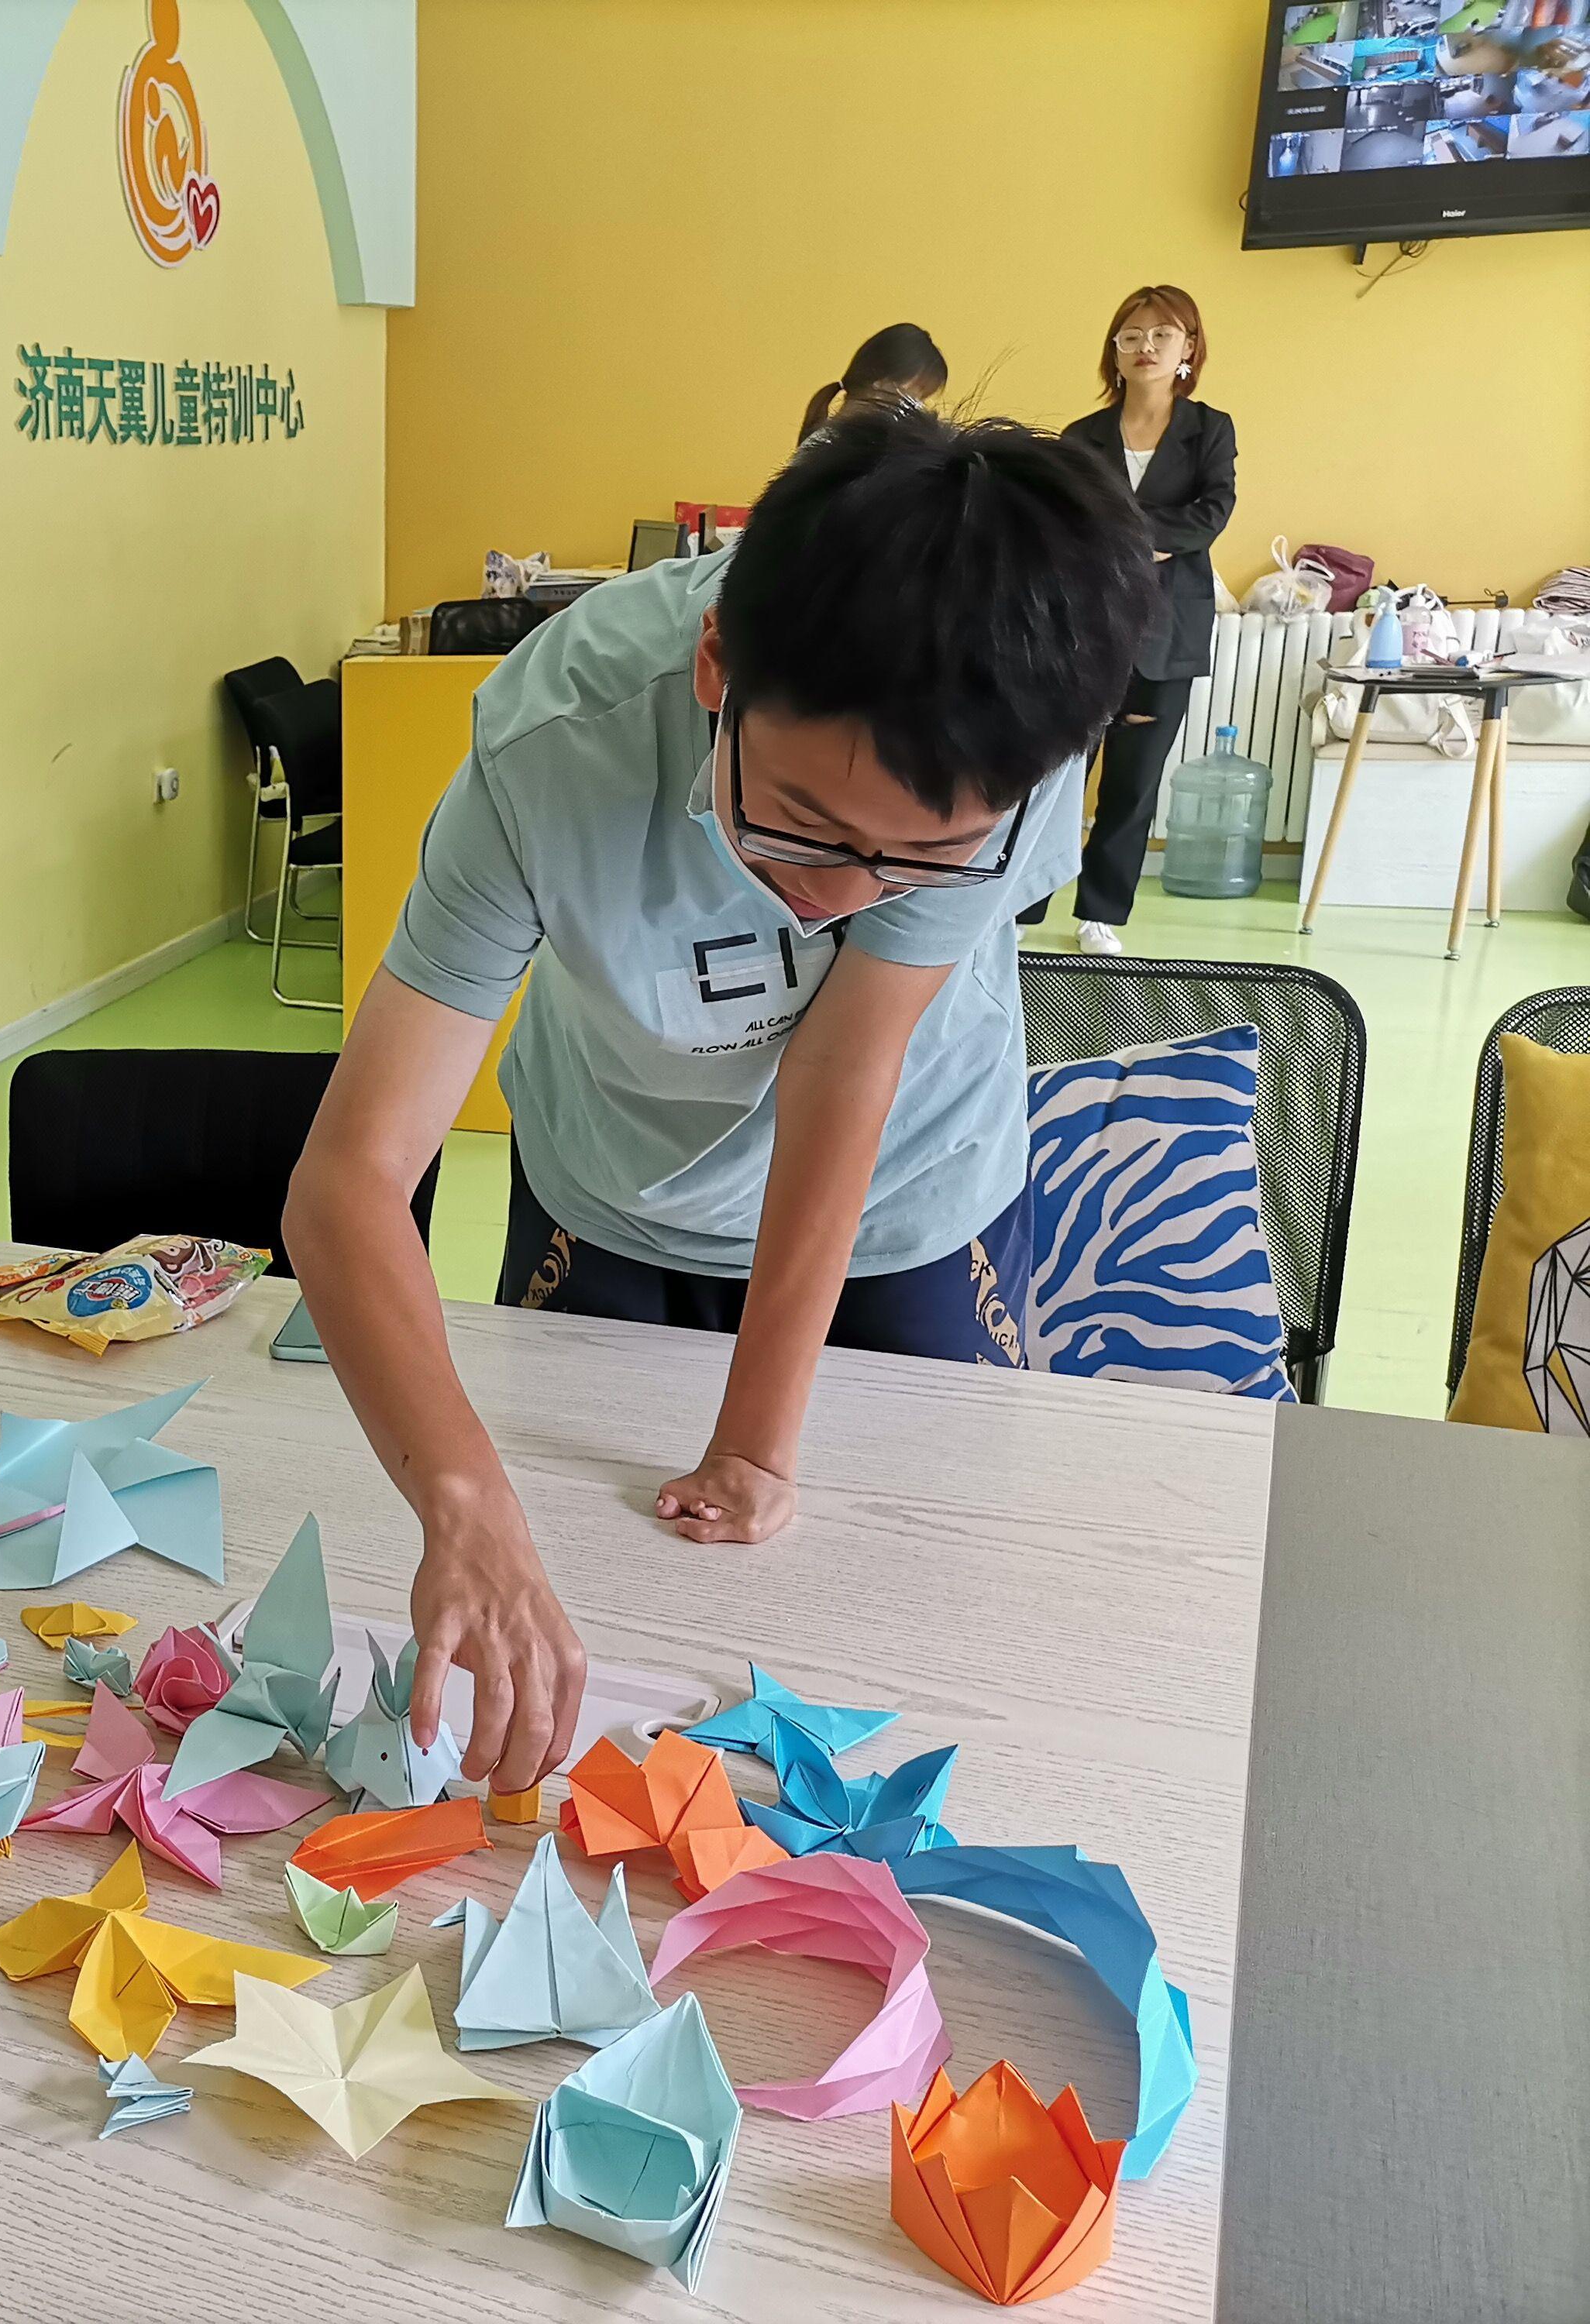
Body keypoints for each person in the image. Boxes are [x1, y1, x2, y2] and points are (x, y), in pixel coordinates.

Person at [283, 407, 1153, 1791]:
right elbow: (351, 1175)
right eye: (800, 820)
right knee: (582, 1573)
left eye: (917, 858)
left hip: (908, 1189)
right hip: (615, 1176)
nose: (841, 892)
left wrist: (755, 1439)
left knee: (920, 1620)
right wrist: (461, 1501)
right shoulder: (552, 745)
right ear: (715, 669)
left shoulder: (1019, 745)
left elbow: (846, 1062)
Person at [1040, 284, 1236, 952]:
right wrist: (1143, 539)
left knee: (1132, 784)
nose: (1145, 346)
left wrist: (1118, 533)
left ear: (1189, 349)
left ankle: (1100, 913)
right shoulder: (1081, 437)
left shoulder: (1211, 429)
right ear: (1114, 351)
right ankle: (1020, 910)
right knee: (1051, 779)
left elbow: (1211, 514)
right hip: (1081, 629)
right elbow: (1064, 522)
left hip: (1168, 633)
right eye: (1131, 335)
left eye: (1161, 334)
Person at [797, 322, 947, 443]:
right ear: (880, 381)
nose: (918, 408)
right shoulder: (831, 446)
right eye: (917, 392)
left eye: (922, 399)